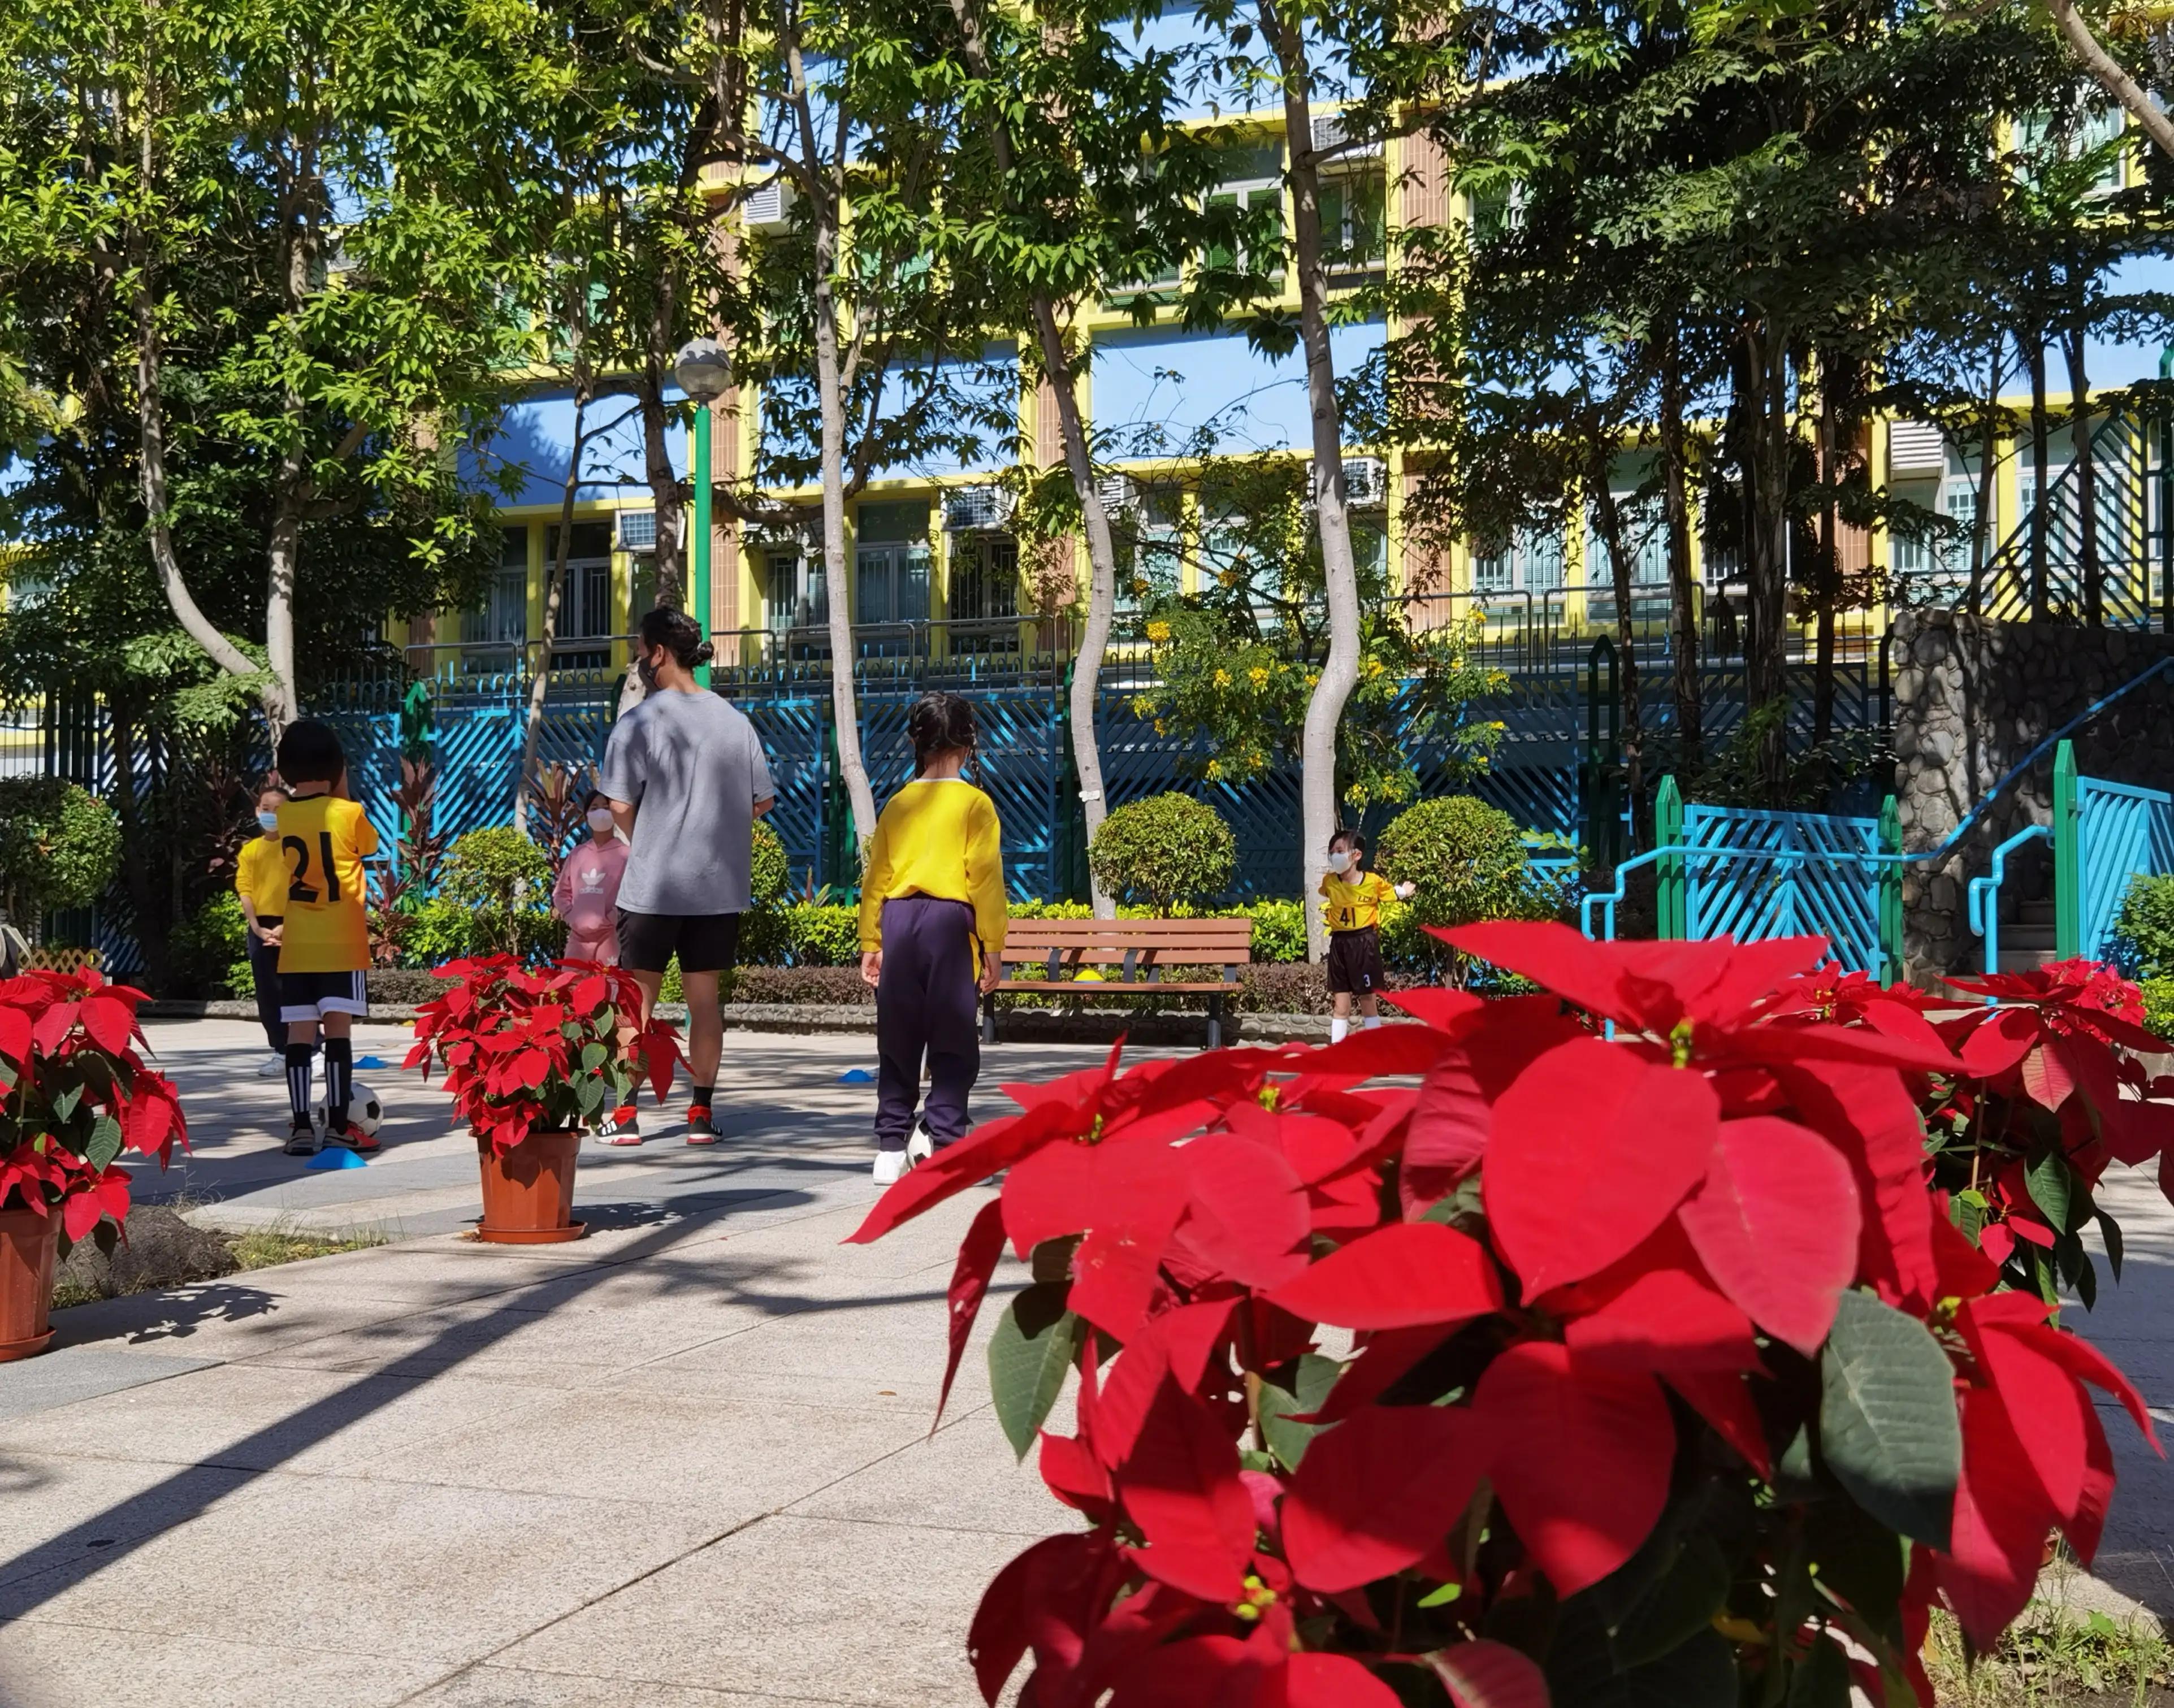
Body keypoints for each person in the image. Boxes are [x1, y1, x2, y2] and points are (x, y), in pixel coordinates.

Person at [599, 607, 776, 1146]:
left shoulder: (640, 721)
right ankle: (700, 1115)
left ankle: (625, 1117)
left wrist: (650, 833)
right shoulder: (734, 721)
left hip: (654, 887)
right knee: (705, 1002)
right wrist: (714, 826)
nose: (639, 661)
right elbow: (761, 801)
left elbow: (617, 804)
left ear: (659, 653)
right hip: (717, 888)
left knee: (638, 1003)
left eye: (640, 650)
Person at [858, 691, 1006, 1186]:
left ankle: (888, 1148)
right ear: (967, 744)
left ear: (916, 743)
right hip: (950, 923)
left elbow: (876, 876)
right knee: (953, 1036)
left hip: (899, 919)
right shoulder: (975, 804)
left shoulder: (898, 804)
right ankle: (948, 1143)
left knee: (897, 1034)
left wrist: (871, 941)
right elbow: (985, 878)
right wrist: (993, 946)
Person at [271, 721, 380, 1156]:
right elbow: (368, 846)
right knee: (338, 1034)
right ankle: (338, 1127)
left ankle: (300, 1127)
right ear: (337, 766)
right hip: (342, 938)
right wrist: (345, 790)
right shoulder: (348, 813)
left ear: (285, 769)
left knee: (300, 1034)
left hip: (298, 941)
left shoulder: (283, 815)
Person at [552, 788, 640, 1144]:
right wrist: (572, 915)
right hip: (578, 942)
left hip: (611, 941)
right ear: (584, 814)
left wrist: (610, 916)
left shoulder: (627, 854)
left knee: (616, 1012)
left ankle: (622, 1101)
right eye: (594, 808)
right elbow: (562, 893)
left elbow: (633, 892)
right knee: (570, 1008)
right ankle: (573, 1086)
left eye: (607, 807)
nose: (601, 813)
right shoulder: (577, 854)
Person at [235, 780, 305, 1078]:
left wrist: (287, 926)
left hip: (295, 923)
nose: (272, 814)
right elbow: (245, 889)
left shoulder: (297, 848)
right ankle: (280, 1050)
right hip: (261, 927)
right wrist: (258, 928)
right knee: (268, 992)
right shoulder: (250, 851)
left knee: (298, 990)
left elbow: (303, 887)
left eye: (279, 810)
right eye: (267, 809)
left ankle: (310, 1048)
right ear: (257, 811)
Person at [1319, 828, 1414, 1044]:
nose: (1335, 855)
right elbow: (1326, 894)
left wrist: (1404, 891)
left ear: (1357, 855)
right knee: (1341, 1004)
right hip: (1339, 944)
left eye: (1340, 850)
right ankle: (1338, 1053)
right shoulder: (1330, 882)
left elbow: (1390, 893)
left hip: (1364, 944)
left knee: (1368, 999)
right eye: (1332, 851)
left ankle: (1375, 1053)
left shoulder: (1372, 882)